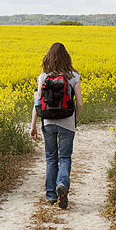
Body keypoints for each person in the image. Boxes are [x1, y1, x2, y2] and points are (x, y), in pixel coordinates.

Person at [30, 42, 83, 209]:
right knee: (65, 157)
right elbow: (79, 103)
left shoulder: (43, 77)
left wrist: (33, 126)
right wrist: (75, 120)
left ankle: (51, 195)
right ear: (66, 57)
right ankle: (62, 185)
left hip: (48, 122)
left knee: (51, 159)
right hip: (67, 121)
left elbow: (37, 103)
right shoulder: (73, 76)